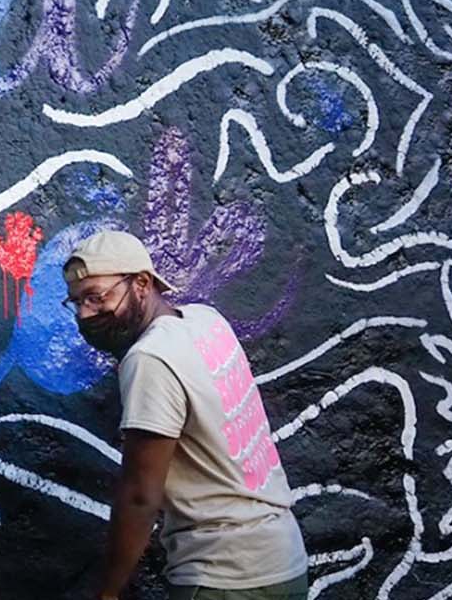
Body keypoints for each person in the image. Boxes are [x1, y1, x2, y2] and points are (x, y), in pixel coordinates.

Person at [63, 230, 308, 600]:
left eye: (97, 297)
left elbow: (140, 497)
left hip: (223, 577)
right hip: (283, 562)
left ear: (141, 283)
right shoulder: (205, 320)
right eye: (77, 302)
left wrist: (108, 592)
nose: (85, 313)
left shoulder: (150, 359)